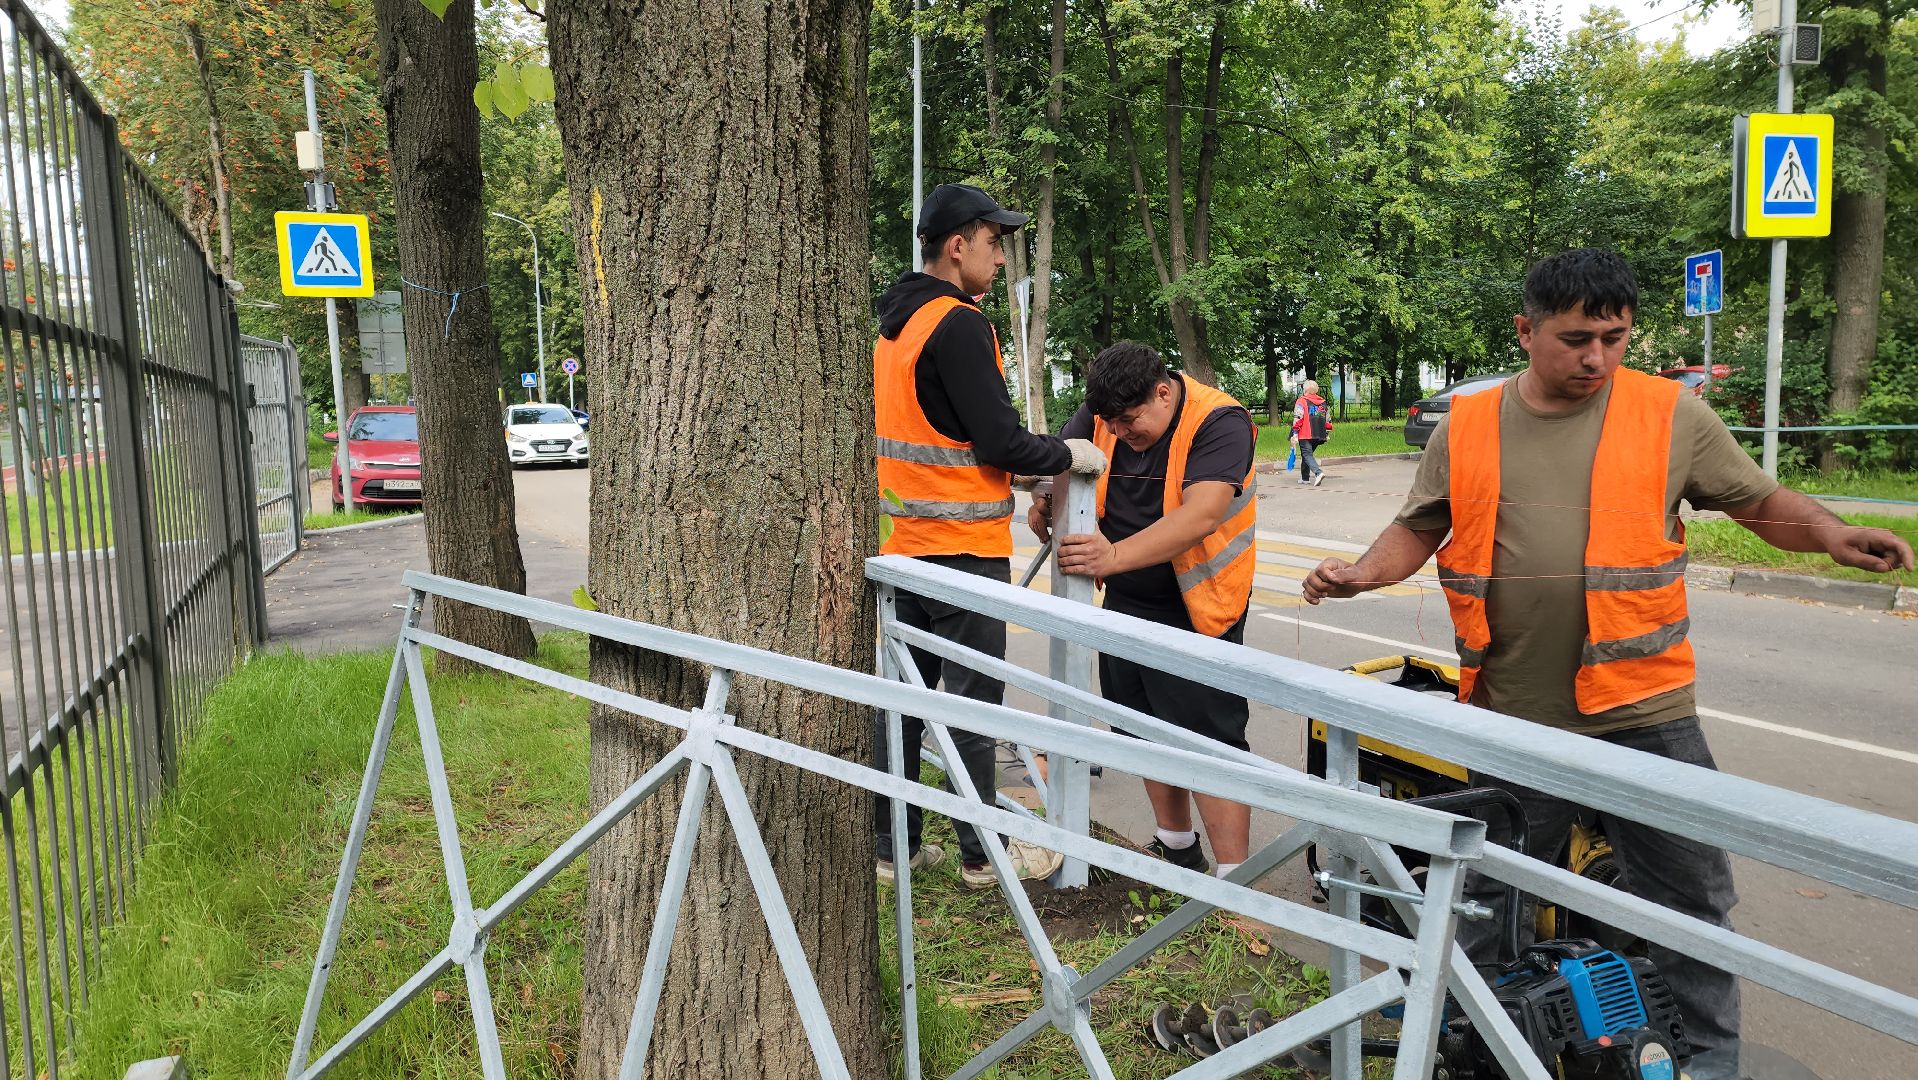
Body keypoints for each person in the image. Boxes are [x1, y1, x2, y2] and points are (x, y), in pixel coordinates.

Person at [1301, 248, 1914, 1080]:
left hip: (1648, 711)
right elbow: (1421, 523)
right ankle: (1477, 1053)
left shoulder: (1672, 415)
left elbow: (1758, 502)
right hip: (1513, 715)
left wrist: (1831, 533)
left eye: (1615, 338)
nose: (1597, 358)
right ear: (1526, 331)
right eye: (1576, 338)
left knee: (1690, 902)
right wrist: (1364, 574)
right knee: (1489, 900)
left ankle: (1706, 1064)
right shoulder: (1469, 425)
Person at [872, 183, 1099, 890]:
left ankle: (893, 848)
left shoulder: (894, 325)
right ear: (956, 245)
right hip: (963, 551)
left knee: (905, 703)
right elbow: (998, 440)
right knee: (971, 705)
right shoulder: (959, 323)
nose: (1000, 259)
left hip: (905, 546)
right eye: (993, 243)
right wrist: (1070, 457)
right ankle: (981, 855)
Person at [1031, 342, 1259, 878]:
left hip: (1200, 605)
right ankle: (1176, 845)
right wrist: (1046, 495)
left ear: (1163, 392)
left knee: (1208, 741)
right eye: (1111, 422)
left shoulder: (1220, 422)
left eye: (1130, 422)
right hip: (1129, 599)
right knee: (1142, 726)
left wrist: (1112, 556)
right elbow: (1064, 456)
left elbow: (1203, 513)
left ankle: (1236, 884)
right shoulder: (1107, 410)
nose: (1120, 433)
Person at [1290, 379, 1331, 486]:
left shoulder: (1301, 401)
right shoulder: (1322, 403)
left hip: (1305, 433)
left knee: (1307, 454)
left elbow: (1298, 418)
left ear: (1306, 389)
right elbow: (1328, 420)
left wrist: (1295, 433)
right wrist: (1327, 433)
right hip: (1319, 435)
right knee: (1307, 455)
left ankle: (1318, 473)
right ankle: (1305, 478)